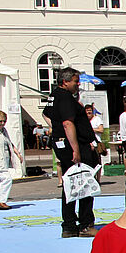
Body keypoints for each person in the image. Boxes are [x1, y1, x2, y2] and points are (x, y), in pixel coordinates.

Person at [45, 67, 100, 238]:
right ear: (65, 82)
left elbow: (46, 114)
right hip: (74, 147)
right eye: (76, 81)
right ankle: (85, 224)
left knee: (70, 184)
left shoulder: (54, 96)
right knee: (84, 182)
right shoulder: (66, 98)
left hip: (63, 143)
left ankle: (69, 225)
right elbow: (68, 124)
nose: (78, 84)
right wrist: (75, 148)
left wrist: (55, 130)